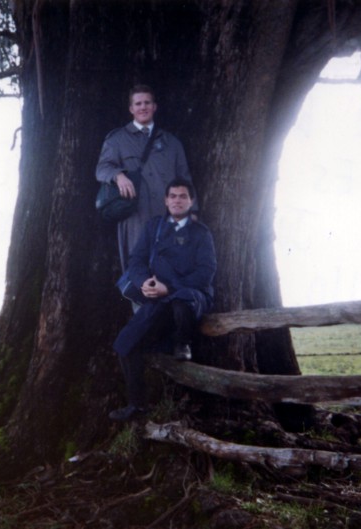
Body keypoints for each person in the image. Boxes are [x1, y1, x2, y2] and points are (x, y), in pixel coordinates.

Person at [109, 179, 216, 422]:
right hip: (157, 299)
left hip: (188, 296)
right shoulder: (153, 227)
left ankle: (182, 343)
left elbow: (205, 272)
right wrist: (143, 283)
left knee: (181, 304)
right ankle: (137, 406)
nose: (177, 200)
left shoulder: (201, 233)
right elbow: (136, 261)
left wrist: (170, 288)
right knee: (125, 344)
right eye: (173, 196)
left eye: (183, 196)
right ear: (166, 200)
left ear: (191, 201)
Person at [96, 85, 192, 270]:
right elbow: (102, 168)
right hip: (135, 218)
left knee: (170, 271)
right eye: (138, 103)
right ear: (131, 109)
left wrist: (192, 212)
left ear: (154, 106)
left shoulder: (172, 143)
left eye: (147, 102)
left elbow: (185, 179)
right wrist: (118, 176)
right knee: (138, 271)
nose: (143, 107)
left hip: (168, 217)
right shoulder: (117, 139)